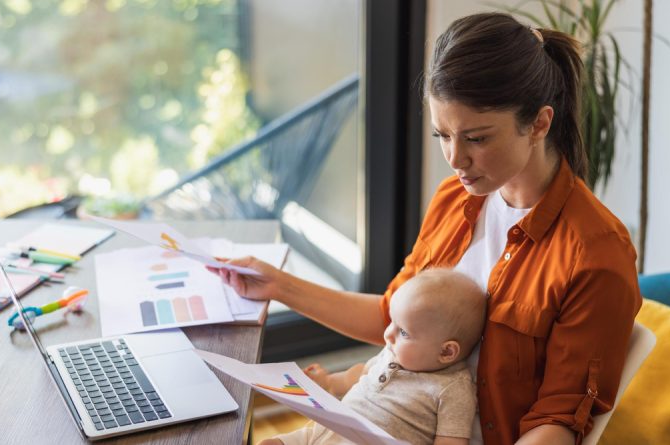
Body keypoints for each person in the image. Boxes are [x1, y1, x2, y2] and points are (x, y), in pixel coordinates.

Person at [210, 12, 641, 445]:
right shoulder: (455, 200)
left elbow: (558, 422)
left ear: (540, 124)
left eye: (477, 138)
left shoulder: (595, 254)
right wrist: (278, 286)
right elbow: (392, 316)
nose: (456, 159)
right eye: (442, 135)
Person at [260, 269, 487, 445]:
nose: (388, 334)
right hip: (323, 432)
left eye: (404, 332)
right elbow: (361, 373)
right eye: (391, 322)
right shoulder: (393, 351)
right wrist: (329, 382)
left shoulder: (454, 390)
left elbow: (451, 440)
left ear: (446, 352)